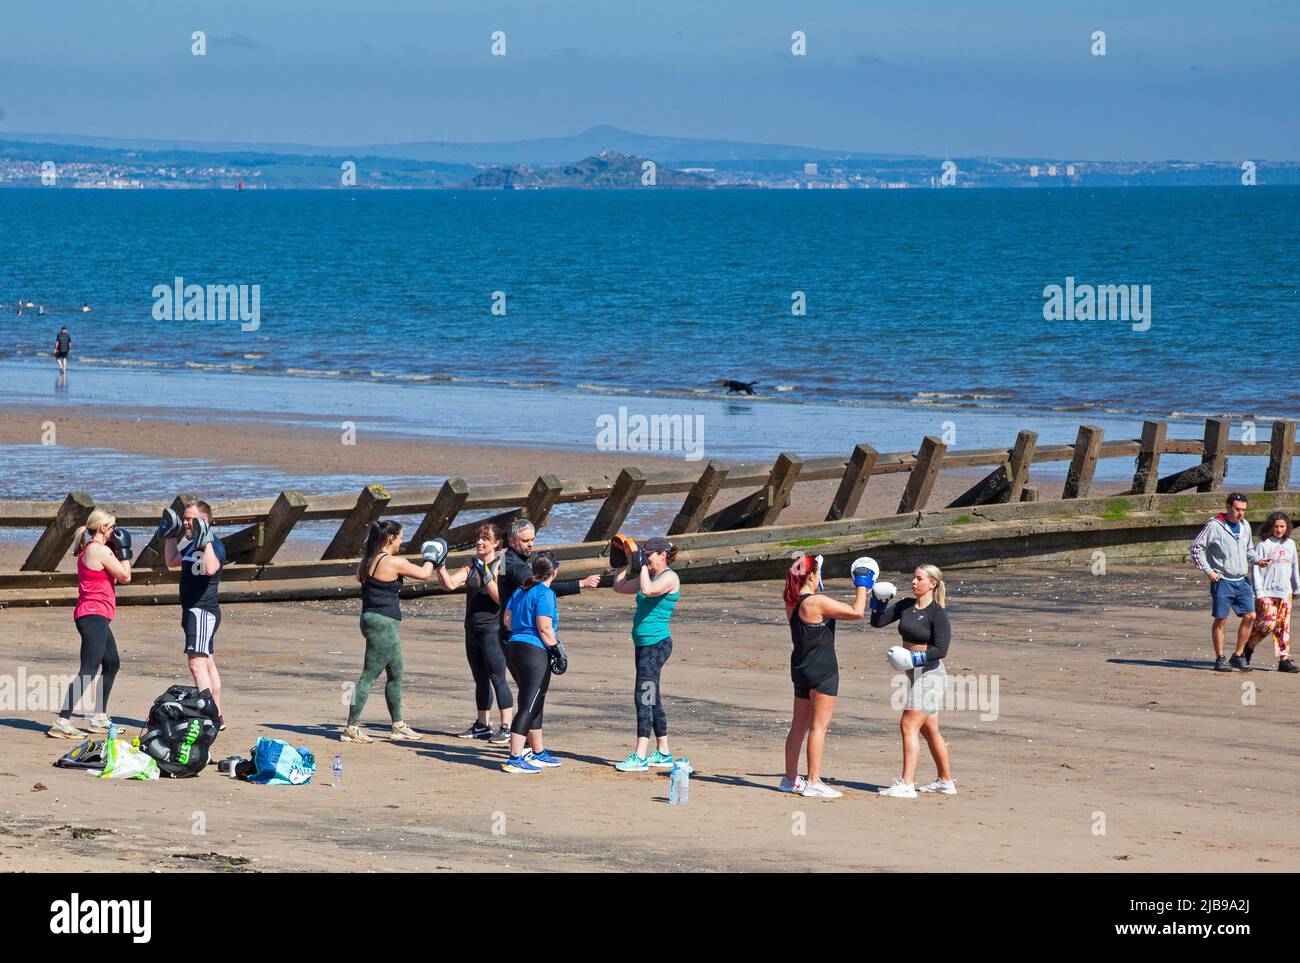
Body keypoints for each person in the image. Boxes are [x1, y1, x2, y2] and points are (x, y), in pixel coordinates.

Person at [341, 520, 448, 742]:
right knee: (368, 676)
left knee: (396, 673)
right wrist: (434, 553)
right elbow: (425, 573)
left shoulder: (367, 560)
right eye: (400, 537)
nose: (402, 541)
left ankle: (398, 725)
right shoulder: (393, 561)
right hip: (382, 623)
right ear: (390, 538)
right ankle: (351, 727)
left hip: (371, 619)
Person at [781, 554, 871, 798]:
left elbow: (808, 599)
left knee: (798, 726)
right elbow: (857, 612)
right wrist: (863, 584)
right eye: (818, 572)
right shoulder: (816, 602)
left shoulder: (791, 599)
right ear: (811, 576)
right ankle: (813, 782)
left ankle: (790, 779)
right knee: (818, 727)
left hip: (800, 666)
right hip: (822, 668)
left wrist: (813, 581)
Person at [870, 564, 955, 798]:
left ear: (933, 584)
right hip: (913, 674)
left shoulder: (937, 613)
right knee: (930, 731)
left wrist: (913, 657)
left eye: (919, 579)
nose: (914, 582)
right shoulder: (906, 605)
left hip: (931, 675)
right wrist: (879, 601)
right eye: (913, 578)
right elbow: (877, 622)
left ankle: (906, 784)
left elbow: (942, 649)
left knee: (908, 725)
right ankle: (945, 782)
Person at [49, 511, 133, 738]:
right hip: (92, 616)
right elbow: (126, 576)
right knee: (88, 670)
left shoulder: (92, 548)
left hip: (97, 616)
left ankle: (99, 718)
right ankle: (62, 721)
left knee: (112, 663)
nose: (116, 531)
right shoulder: (99, 550)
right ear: (104, 528)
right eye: (113, 527)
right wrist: (125, 551)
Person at [435, 522, 514, 743]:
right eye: (478, 539)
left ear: (497, 543)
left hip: (493, 630)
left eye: (485, 539)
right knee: (480, 679)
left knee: (498, 677)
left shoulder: (504, 563)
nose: (479, 542)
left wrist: (486, 574)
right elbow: (449, 585)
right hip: (472, 629)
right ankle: (482, 725)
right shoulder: (471, 563)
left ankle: (506, 726)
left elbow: (501, 597)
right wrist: (439, 566)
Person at [611, 536, 681, 772]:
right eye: (645, 554)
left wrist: (640, 567)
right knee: (652, 696)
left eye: (649, 554)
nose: (647, 558)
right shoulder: (648, 574)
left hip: (656, 646)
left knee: (643, 695)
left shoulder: (670, 577)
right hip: (643, 645)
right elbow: (619, 587)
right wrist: (620, 564)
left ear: (663, 555)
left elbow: (648, 591)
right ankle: (663, 752)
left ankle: (640, 755)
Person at [162, 501, 229, 727]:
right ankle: (217, 716)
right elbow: (171, 562)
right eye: (185, 518)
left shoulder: (214, 545)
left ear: (205, 520)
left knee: (196, 664)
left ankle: (208, 716)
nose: (186, 523)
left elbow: (211, 568)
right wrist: (170, 536)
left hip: (203, 610)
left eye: (191, 519)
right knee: (208, 663)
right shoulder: (190, 543)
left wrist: (206, 540)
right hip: (191, 609)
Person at [501, 552, 568, 773]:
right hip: (534, 651)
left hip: (514, 648)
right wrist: (558, 650)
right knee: (529, 703)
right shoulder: (545, 593)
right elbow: (544, 627)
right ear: (554, 571)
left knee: (535, 700)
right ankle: (514, 757)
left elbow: (507, 621)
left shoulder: (521, 590)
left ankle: (537, 752)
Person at [497, 519, 599, 644]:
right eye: (525, 541)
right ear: (511, 541)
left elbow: (500, 582)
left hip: (507, 625)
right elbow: (541, 590)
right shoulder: (516, 566)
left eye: (532, 540)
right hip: (518, 631)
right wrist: (580, 584)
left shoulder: (504, 558)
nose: (530, 544)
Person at [1191, 493, 1258, 672]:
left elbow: (1249, 549)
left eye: (1244, 510)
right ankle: (1220, 658)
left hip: (1242, 580)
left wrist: (1258, 560)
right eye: (1237, 509)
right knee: (1221, 619)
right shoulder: (1214, 525)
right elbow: (1197, 548)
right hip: (1222, 580)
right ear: (1228, 507)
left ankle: (1237, 655)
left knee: (1251, 616)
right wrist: (1209, 571)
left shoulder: (1245, 526)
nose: (1241, 513)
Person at [1242, 512, 1300, 673]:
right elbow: (1256, 571)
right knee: (1267, 624)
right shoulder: (1263, 545)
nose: (1279, 529)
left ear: (1287, 527)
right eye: (1276, 526)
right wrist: (1259, 592)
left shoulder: (1290, 544)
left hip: (1285, 592)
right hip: (1267, 592)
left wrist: (1297, 587)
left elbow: (1294, 567)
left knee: (1283, 627)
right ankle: (1248, 648)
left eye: (1282, 526)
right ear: (1270, 527)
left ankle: (1284, 660)